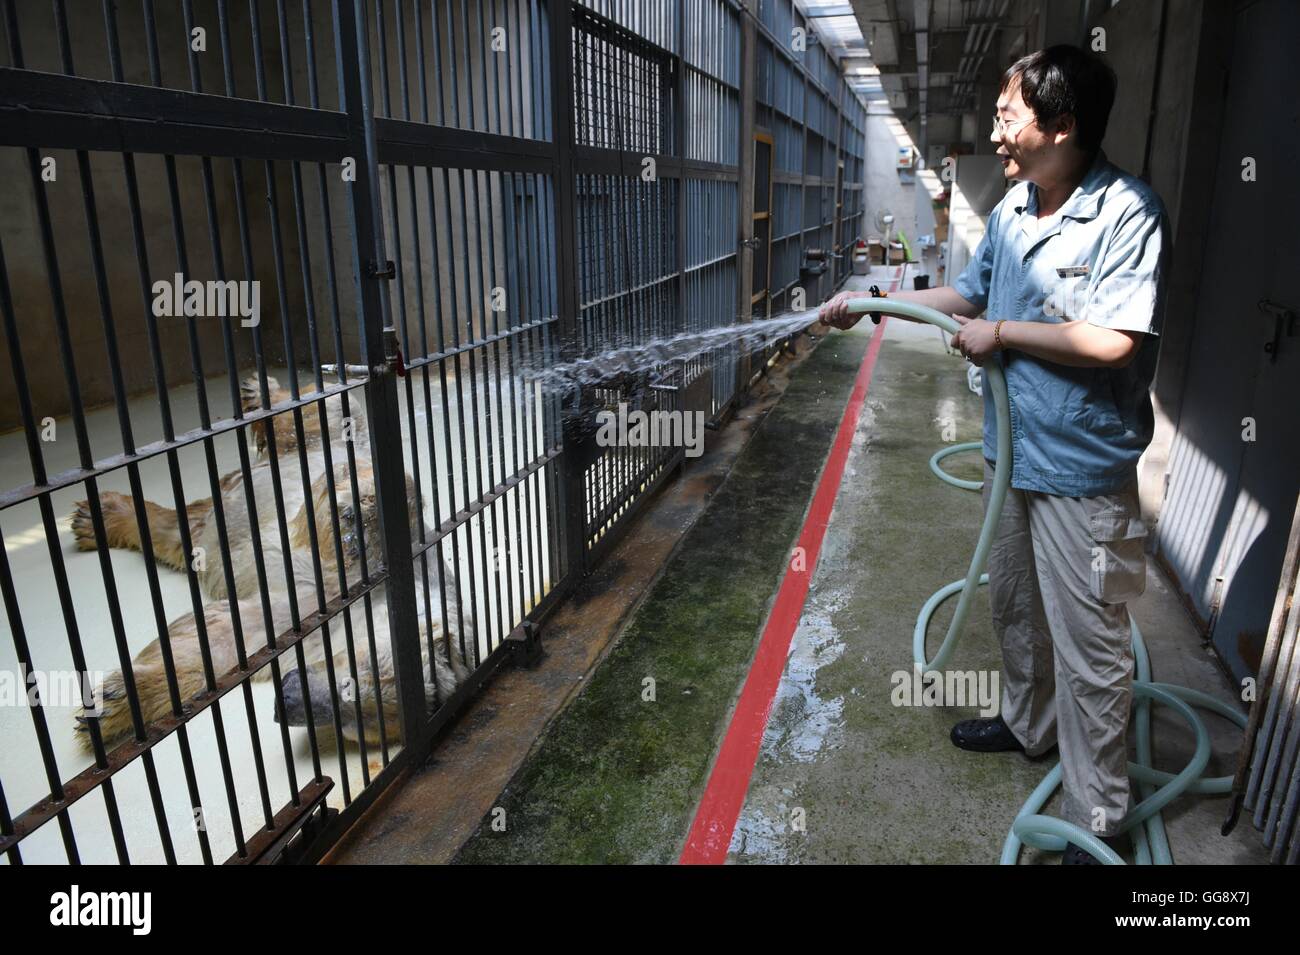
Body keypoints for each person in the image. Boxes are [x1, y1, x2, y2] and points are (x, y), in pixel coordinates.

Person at [819, 44, 1170, 865]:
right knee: (1014, 606)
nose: (995, 132)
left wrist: (1004, 336)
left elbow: (1114, 340)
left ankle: (1097, 815)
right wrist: (879, 302)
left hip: (1082, 473)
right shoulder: (1013, 211)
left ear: (1063, 126)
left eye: (1009, 116)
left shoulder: (1127, 214)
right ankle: (1027, 725)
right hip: (1011, 454)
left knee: (1091, 649)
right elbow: (969, 298)